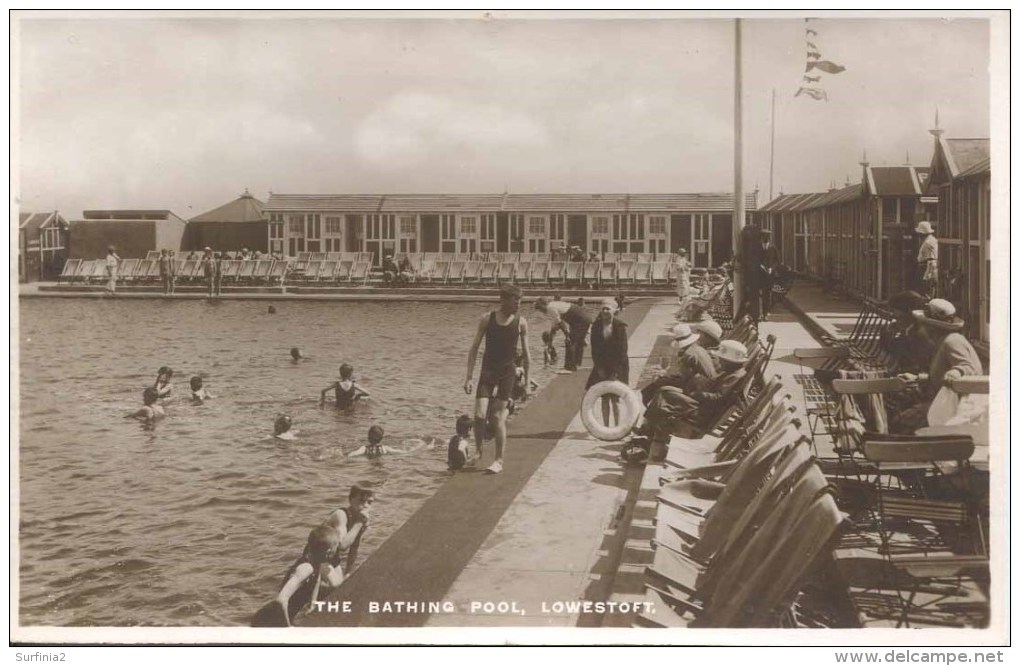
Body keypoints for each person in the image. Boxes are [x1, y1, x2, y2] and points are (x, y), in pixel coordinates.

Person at [465, 283, 531, 475]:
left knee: (496, 417)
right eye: (515, 301)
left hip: (507, 372)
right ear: (503, 300)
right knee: (478, 415)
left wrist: (527, 383)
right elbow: (474, 348)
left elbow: (527, 355)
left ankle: (498, 460)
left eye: (520, 302)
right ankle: (478, 451)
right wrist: (469, 377)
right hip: (488, 370)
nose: (518, 305)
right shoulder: (487, 319)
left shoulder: (521, 322)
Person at [891, 299, 983, 434]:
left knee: (900, 420)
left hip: (954, 407)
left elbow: (969, 368)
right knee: (895, 401)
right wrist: (918, 378)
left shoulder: (952, 341)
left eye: (921, 325)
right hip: (942, 401)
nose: (919, 329)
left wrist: (956, 371)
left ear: (931, 327)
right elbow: (939, 374)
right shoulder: (941, 342)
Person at [636, 340, 751, 441]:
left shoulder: (735, 376)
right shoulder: (733, 372)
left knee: (665, 395)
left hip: (703, 411)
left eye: (722, 360)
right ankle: (650, 427)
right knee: (665, 391)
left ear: (731, 361)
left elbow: (717, 397)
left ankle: (650, 429)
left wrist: (698, 394)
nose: (720, 362)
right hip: (704, 404)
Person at [640, 320, 721, 405]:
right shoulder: (697, 349)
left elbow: (686, 376)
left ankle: (646, 405)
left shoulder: (691, 353)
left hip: (696, 388)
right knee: (659, 383)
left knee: (657, 385)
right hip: (697, 384)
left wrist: (667, 378)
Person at [587, 301, 630, 428]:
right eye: (603, 309)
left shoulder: (620, 327)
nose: (605, 311)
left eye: (608, 309)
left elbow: (623, 350)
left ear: (614, 311)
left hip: (618, 364)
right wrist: (599, 368)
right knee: (604, 397)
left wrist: (615, 372)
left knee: (615, 398)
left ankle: (617, 426)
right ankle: (605, 427)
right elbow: (594, 350)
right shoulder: (596, 326)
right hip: (602, 365)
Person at [534, 296, 593, 372]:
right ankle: (579, 365)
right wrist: (550, 344)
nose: (541, 311)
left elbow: (561, 323)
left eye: (540, 308)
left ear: (544, 304)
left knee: (570, 342)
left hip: (581, 320)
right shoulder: (552, 306)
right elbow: (554, 329)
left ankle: (570, 367)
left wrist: (567, 336)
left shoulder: (550, 308)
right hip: (581, 319)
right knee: (578, 342)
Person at [758, 230, 780, 321]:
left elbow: (777, 261)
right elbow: (754, 260)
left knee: (768, 295)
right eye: (764, 238)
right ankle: (759, 314)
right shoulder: (758, 248)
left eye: (767, 238)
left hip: (769, 276)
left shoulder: (773, 248)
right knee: (759, 295)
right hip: (759, 275)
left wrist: (772, 268)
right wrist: (760, 266)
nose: (765, 240)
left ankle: (766, 313)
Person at [915, 221, 939, 297]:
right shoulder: (930, 240)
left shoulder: (928, 242)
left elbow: (931, 259)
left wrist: (927, 274)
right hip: (926, 266)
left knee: (925, 289)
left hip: (926, 267)